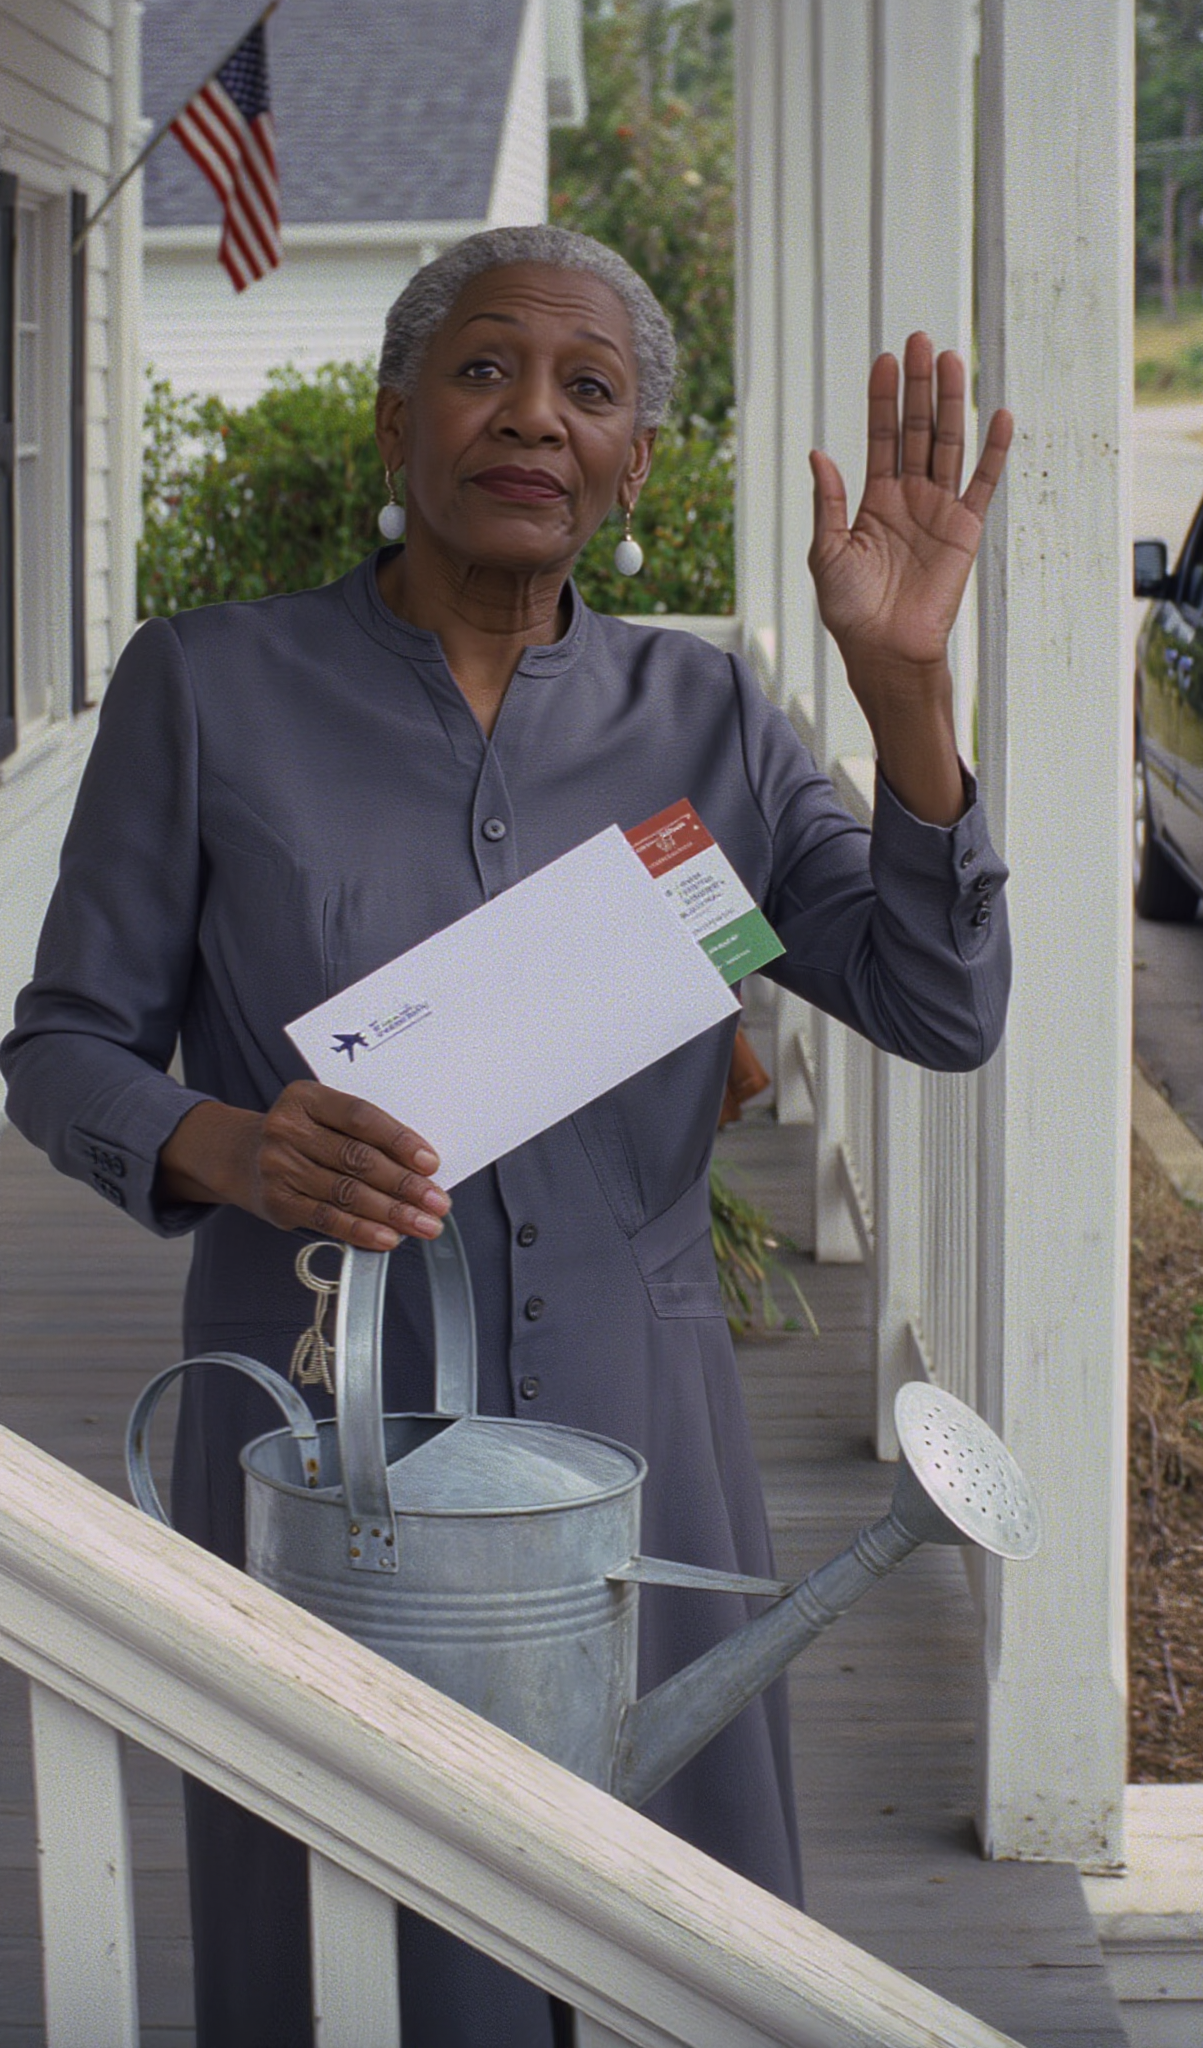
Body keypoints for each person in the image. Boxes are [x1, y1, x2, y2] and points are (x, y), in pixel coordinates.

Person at [0, 226, 1014, 2045]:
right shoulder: (209, 688)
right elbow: (62, 1048)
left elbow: (941, 1006)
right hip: (314, 1429)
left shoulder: (704, 718)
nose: (529, 416)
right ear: (398, 420)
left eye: (588, 389)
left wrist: (905, 698)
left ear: (630, 464)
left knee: (659, 1940)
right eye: (481, 370)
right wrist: (227, 1145)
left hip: (640, 1437)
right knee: (349, 1947)